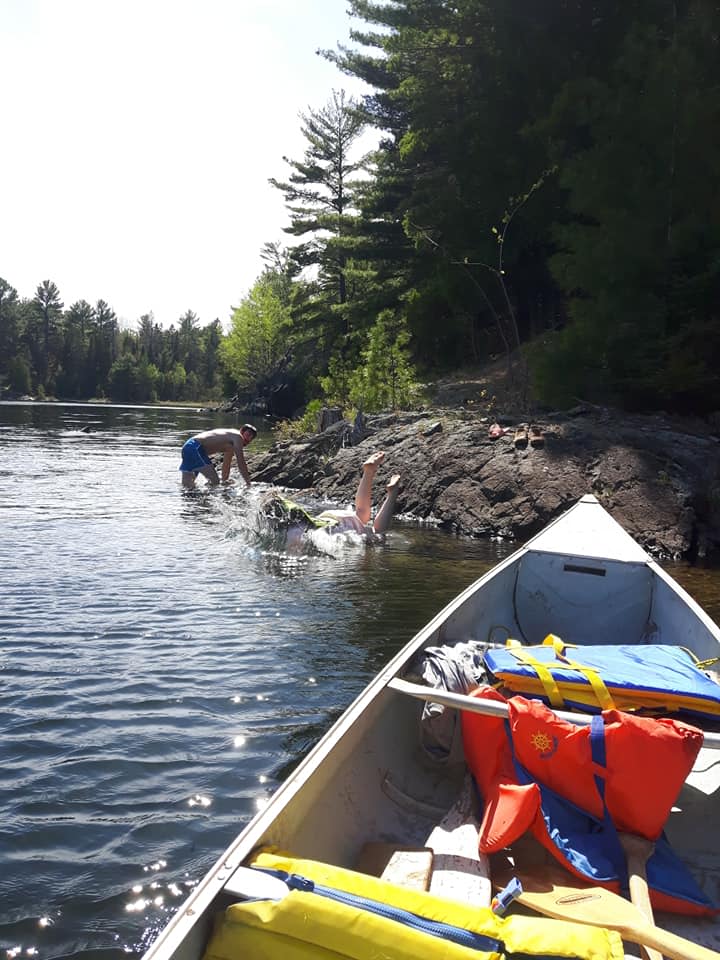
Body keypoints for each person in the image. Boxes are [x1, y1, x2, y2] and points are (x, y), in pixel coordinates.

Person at [260, 451, 401, 537]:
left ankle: (392, 493)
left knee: (378, 533)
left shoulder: (291, 533)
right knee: (361, 514)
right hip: (330, 516)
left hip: (336, 526)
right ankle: (369, 472)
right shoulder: (299, 519)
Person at [179, 424, 257, 489]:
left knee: (188, 488)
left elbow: (226, 464)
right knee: (215, 482)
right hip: (195, 448)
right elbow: (241, 462)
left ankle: (191, 506)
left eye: (251, 438)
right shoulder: (238, 437)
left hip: (187, 447)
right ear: (241, 431)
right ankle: (207, 504)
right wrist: (248, 484)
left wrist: (224, 481)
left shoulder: (230, 440)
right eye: (248, 435)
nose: (248, 440)